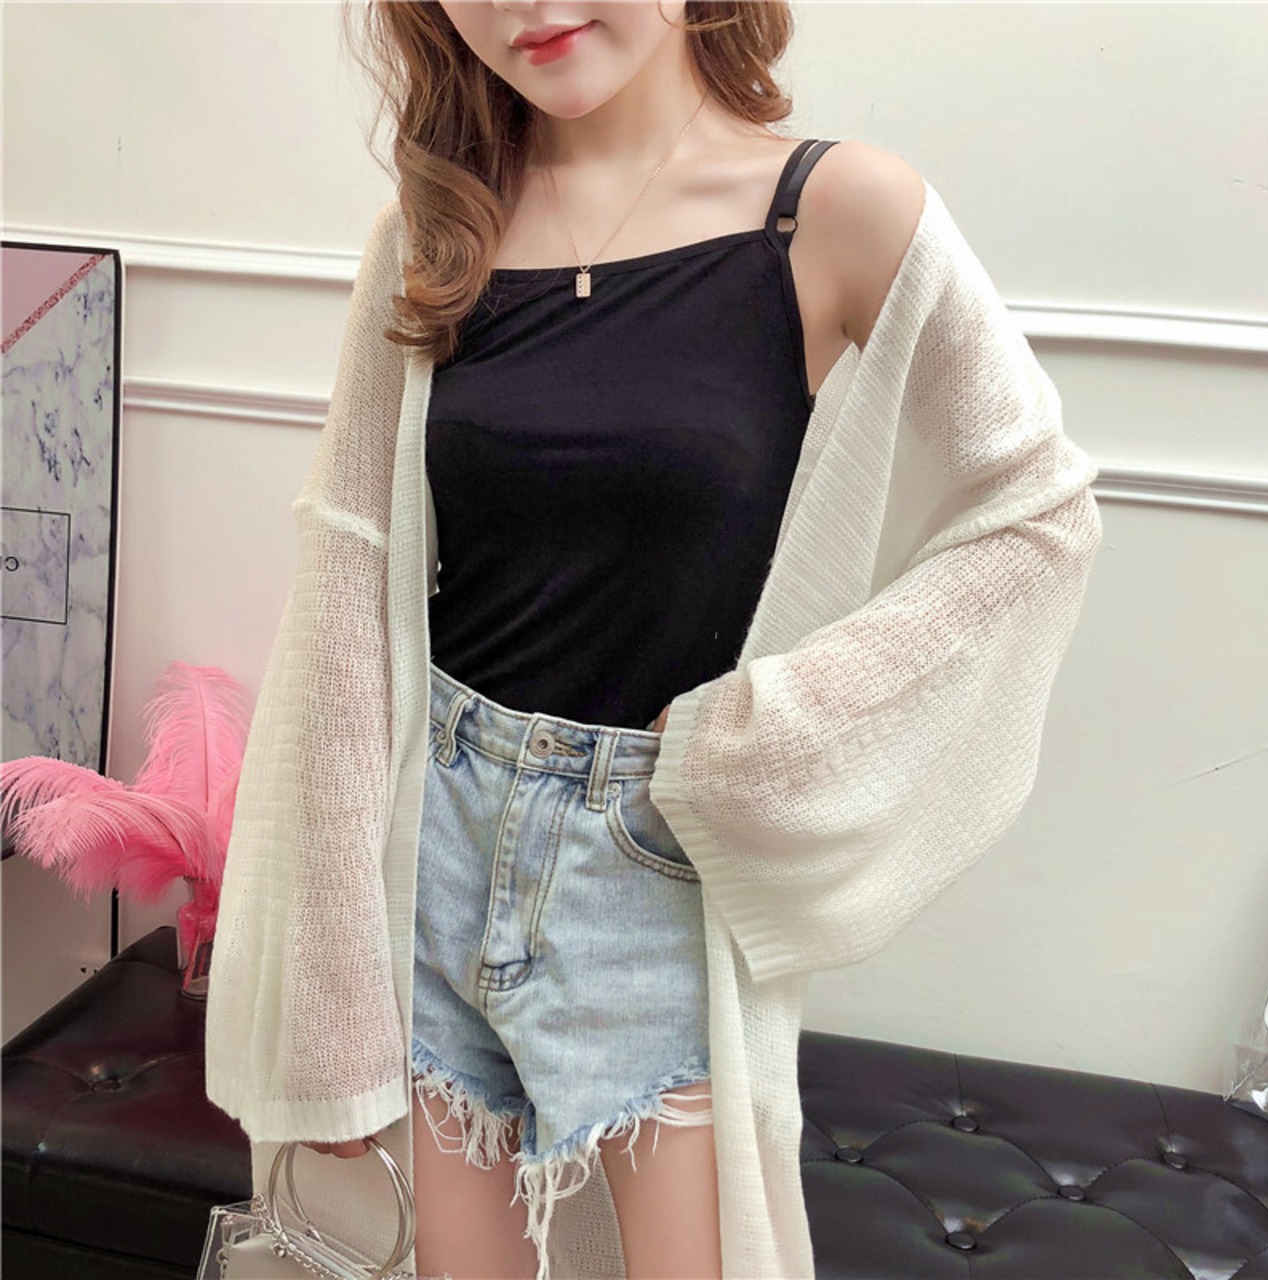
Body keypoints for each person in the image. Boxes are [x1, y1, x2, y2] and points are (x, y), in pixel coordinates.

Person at [204, 2, 1102, 1278]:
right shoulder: (432, 231)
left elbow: (1035, 509)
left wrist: (768, 728)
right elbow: (348, 583)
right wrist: (328, 996)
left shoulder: (837, 213)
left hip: (650, 868)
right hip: (432, 841)